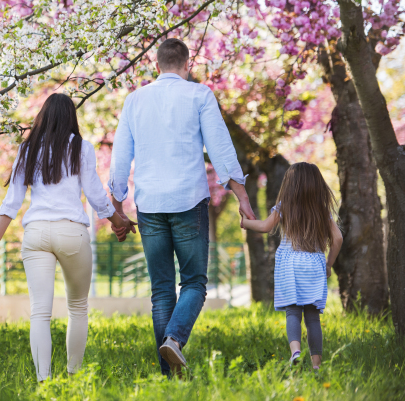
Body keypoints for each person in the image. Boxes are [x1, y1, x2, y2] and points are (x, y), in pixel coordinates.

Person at [109, 38, 256, 377]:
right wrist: (241, 195)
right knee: (194, 283)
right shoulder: (199, 95)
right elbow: (220, 148)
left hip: (150, 204)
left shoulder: (134, 101)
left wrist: (117, 206)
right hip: (189, 201)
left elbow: (120, 159)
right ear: (187, 65)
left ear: (156, 65)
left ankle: (169, 375)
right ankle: (174, 340)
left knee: (161, 290)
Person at [0, 93, 135, 382]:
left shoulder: (27, 150)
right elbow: (95, 196)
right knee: (77, 307)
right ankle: (73, 376)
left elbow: (12, 200)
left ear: (43, 117)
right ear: (70, 118)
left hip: (36, 232)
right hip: (71, 232)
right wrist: (120, 221)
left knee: (40, 312)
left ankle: (43, 380)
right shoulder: (82, 148)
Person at [240, 162, 342, 370]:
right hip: (314, 264)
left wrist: (245, 222)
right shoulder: (322, 211)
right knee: (313, 318)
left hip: (290, 264)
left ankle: (295, 351)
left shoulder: (284, 207)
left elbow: (264, 227)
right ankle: (316, 365)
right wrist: (329, 264)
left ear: (290, 185)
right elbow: (338, 238)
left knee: (293, 313)